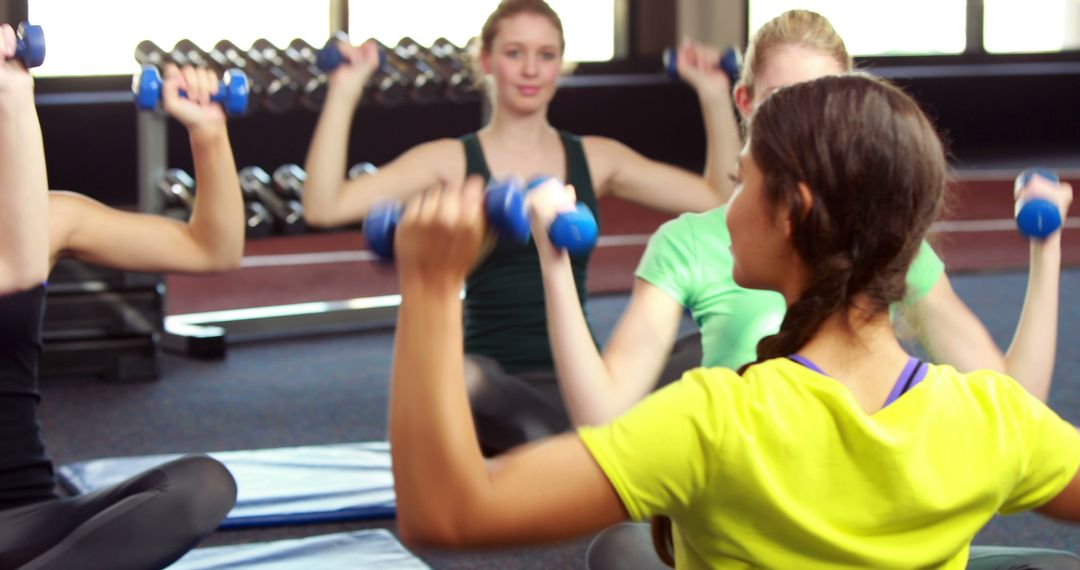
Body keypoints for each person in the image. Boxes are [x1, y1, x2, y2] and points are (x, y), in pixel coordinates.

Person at [386, 73, 1080, 569]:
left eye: (744, 179)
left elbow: (446, 512)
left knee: (625, 547)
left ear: (790, 210)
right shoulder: (993, 420)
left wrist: (430, 284)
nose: (731, 201)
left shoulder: (714, 422)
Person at [538, 9, 1069, 438]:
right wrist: (554, 262)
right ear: (744, 103)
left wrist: (1046, 249)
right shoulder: (691, 243)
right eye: (782, 103)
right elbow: (603, 416)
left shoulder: (886, 243)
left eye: (823, 102)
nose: (804, 130)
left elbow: (1016, 408)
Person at [302, 0, 740, 455]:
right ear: (487, 60)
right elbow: (324, 206)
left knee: (704, 345)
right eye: (514, 53)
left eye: (545, 55)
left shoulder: (596, 158)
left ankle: (576, 446)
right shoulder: (451, 161)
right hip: (495, 381)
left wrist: (712, 94)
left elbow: (718, 197)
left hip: (587, 381)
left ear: (560, 65)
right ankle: (575, 451)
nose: (531, 69)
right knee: (462, 378)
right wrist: (345, 89)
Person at [0, 26, 240, 569]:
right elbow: (15, 265)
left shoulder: (49, 216)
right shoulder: (29, 231)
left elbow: (214, 250)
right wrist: (15, 98)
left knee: (200, 485)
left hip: (32, 520)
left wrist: (208, 133)